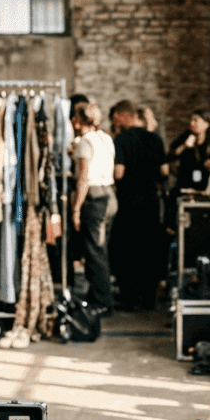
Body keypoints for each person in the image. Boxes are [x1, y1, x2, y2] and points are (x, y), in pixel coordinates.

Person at [109, 99, 167, 310]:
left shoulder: (121, 139)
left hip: (128, 201)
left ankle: (129, 298)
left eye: (117, 117)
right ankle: (149, 298)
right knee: (148, 248)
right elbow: (164, 171)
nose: (115, 121)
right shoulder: (156, 139)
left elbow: (119, 172)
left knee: (128, 249)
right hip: (151, 201)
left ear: (126, 116)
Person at [70, 102, 118, 316]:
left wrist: (76, 208)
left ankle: (102, 302)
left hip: (95, 199)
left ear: (78, 121)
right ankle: (96, 295)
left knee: (95, 252)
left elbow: (84, 178)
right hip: (109, 196)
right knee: (101, 249)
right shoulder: (105, 138)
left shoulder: (85, 142)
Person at [164, 110, 210, 231]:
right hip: (184, 184)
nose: (192, 123)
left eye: (196, 120)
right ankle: (171, 230)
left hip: (203, 188)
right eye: (191, 120)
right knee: (172, 198)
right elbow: (171, 156)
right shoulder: (186, 138)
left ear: (207, 124)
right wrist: (185, 146)